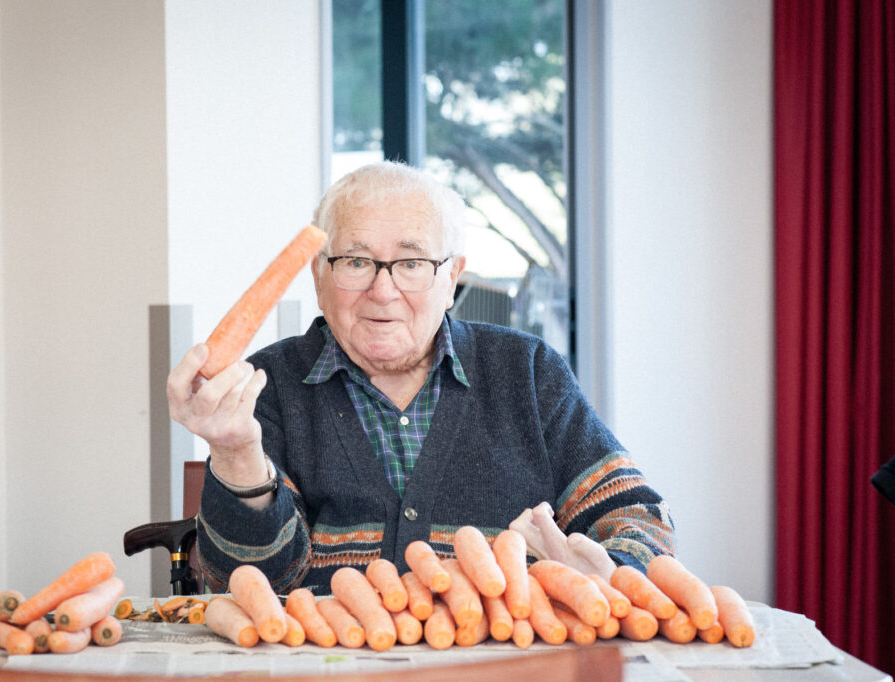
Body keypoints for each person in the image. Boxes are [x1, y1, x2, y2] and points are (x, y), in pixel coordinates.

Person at [167, 161, 675, 595]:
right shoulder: (265, 384)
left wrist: (606, 574)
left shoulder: (527, 371)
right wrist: (235, 455)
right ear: (319, 277)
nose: (382, 290)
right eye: (356, 261)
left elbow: (638, 518)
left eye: (411, 262)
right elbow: (254, 587)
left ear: (452, 278)